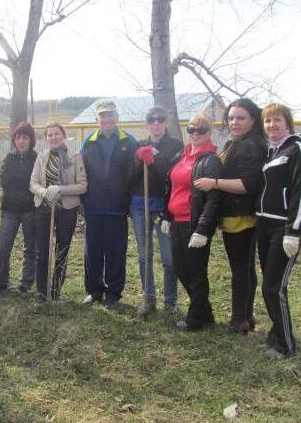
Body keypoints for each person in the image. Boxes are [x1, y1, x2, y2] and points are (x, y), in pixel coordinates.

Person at [194, 98, 267, 334]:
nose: (234, 122)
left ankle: (238, 320)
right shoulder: (235, 142)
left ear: (253, 120)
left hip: (241, 216)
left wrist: (213, 182)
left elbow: (248, 184)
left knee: (240, 268)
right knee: (244, 268)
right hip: (235, 214)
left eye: (241, 118)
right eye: (232, 117)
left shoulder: (250, 146)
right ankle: (246, 316)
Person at [255, 103, 301, 359]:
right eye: (267, 121)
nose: (271, 125)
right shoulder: (271, 150)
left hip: (283, 226)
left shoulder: (296, 148)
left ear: (287, 122)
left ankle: (286, 346)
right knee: (273, 285)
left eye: (277, 120)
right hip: (264, 225)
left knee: (272, 287)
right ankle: (277, 335)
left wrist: (294, 229)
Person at [162, 113, 222, 330]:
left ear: (209, 133)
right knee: (180, 268)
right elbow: (173, 188)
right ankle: (204, 313)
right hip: (177, 222)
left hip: (193, 223)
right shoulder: (182, 155)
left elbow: (214, 199)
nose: (195, 134)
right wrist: (168, 216)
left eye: (201, 130)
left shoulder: (210, 160)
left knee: (196, 272)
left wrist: (203, 229)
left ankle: (196, 318)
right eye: (191, 129)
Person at [80, 100, 137, 308]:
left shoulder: (128, 141)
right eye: (102, 116)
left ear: (117, 118)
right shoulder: (88, 142)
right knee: (92, 251)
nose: (106, 119)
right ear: (97, 119)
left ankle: (113, 293)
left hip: (117, 207)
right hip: (93, 206)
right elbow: (81, 173)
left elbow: (134, 174)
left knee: (115, 252)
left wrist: (129, 201)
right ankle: (94, 291)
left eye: (110, 115)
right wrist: (81, 200)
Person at [131, 107, 183, 317]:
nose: (156, 123)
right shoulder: (139, 145)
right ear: (147, 124)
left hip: (164, 207)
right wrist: (138, 161)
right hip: (139, 204)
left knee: (169, 257)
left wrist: (156, 158)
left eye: (160, 119)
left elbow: (171, 177)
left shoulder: (175, 146)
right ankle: (148, 299)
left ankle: (170, 301)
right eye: (151, 120)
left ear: (165, 123)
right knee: (145, 255)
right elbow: (130, 179)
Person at [30, 122, 87, 303]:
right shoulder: (41, 157)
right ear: (46, 138)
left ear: (63, 135)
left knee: (62, 250)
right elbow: (33, 183)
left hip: (66, 210)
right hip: (44, 208)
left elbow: (82, 186)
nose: (53, 137)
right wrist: (44, 192)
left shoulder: (75, 157)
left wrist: (61, 189)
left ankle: (55, 292)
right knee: (43, 252)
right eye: (50, 135)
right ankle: (42, 292)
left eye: (56, 134)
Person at [0, 121, 38, 295]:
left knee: (31, 248)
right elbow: (4, 181)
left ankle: (25, 283)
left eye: (25, 137)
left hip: (31, 210)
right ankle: (2, 281)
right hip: (10, 209)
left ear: (31, 140)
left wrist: (27, 194)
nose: (22, 141)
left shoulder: (37, 158)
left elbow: (36, 184)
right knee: (2, 247)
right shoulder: (9, 158)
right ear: (14, 139)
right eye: (18, 137)